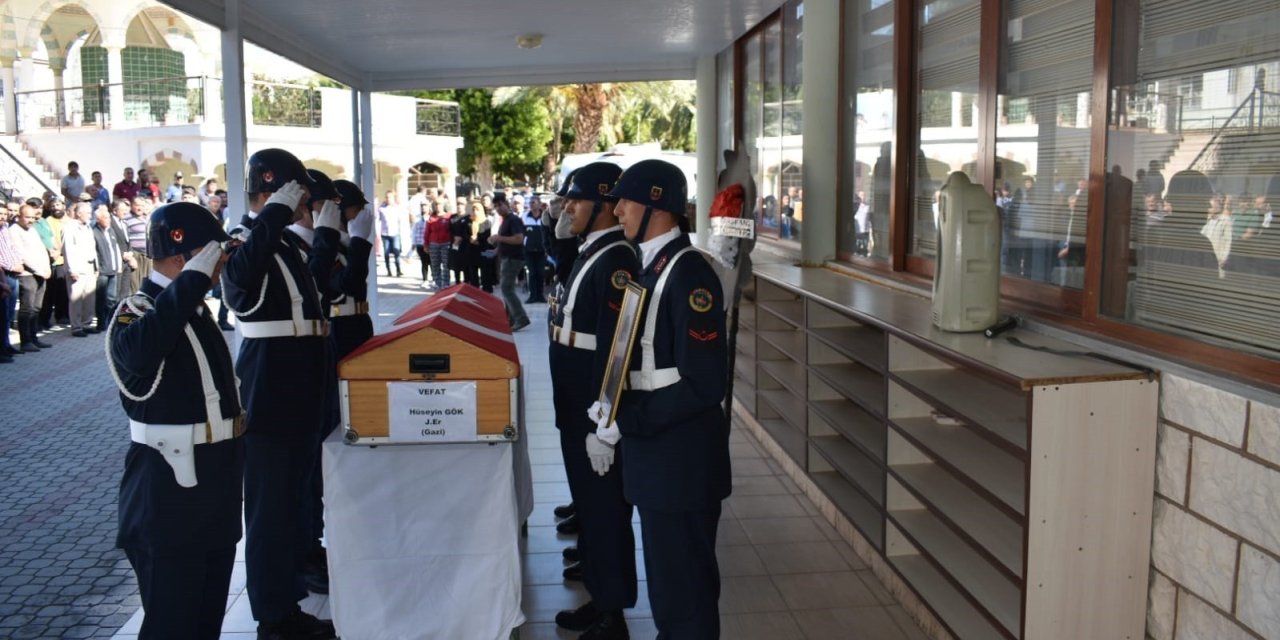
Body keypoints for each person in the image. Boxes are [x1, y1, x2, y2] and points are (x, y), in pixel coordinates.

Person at [591, 159, 730, 639]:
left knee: (684, 593)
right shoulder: (653, 266)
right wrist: (609, 409)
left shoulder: (689, 275)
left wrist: (627, 420)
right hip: (660, 459)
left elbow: (705, 384)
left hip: (681, 462)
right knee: (670, 590)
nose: (617, 211)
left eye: (626, 202)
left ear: (658, 206)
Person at [107, 201, 243, 640]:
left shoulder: (194, 309)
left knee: (205, 621)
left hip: (214, 487)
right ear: (185, 257)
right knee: (173, 624)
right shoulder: (137, 309)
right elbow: (139, 353)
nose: (221, 265)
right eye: (214, 255)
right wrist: (190, 282)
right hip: (169, 495)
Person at [221, 149, 336, 639]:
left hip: (299, 382)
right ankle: (272, 615)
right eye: (298, 195)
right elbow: (238, 283)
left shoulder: (283, 243)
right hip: (270, 384)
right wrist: (271, 215)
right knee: (270, 508)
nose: (304, 205)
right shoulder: (245, 239)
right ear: (273, 192)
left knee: (292, 501)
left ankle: (288, 602)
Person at [549, 162, 639, 640]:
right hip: (574, 403)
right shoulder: (593, 250)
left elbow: (617, 348)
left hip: (592, 406)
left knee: (605, 512)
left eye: (577, 200)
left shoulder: (616, 259)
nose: (568, 207)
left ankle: (613, 613)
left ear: (604, 205)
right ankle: (598, 595)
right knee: (588, 503)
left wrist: (606, 420)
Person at [13, 203, 52, 352]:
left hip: (41, 273)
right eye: (27, 217)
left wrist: (47, 268)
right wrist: (39, 270)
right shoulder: (14, 231)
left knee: (36, 308)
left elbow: (42, 250)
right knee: (27, 309)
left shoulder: (33, 230)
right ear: (19, 216)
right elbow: (22, 255)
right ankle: (26, 341)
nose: (30, 220)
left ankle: (34, 337)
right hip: (27, 275)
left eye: (33, 217)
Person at [488, 193, 529, 331]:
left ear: (507, 204)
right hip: (507, 257)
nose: (498, 208)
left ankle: (520, 318)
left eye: (500, 205)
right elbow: (507, 240)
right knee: (507, 288)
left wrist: (499, 238)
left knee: (506, 288)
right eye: (496, 206)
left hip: (513, 258)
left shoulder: (513, 219)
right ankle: (509, 319)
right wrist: (497, 249)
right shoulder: (506, 220)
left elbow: (518, 239)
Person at [61, 202, 98, 336]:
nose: (90, 215)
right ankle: (76, 327)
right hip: (77, 267)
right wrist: (72, 269)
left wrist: (96, 267)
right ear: (78, 213)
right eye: (87, 213)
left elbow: (93, 247)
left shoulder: (88, 227)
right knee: (76, 298)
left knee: (89, 297)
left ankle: (86, 323)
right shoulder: (69, 227)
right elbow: (68, 249)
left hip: (89, 266)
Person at [93, 203, 128, 333]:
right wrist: (96, 269)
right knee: (101, 299)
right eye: (105, 218)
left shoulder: (111, 231)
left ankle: (110, 322)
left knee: (111, 298)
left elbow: (116, 249)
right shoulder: (94, 232)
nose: (108, 220)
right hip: (102, 271)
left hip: (113, 269)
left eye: (108, 217)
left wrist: (118, 265)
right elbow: (94, 252)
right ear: (98, 219)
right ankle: (101, 323)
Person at [0, 202, 23, 361]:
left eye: (4, 214)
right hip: (5, 274)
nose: (3, 216)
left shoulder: (5, 229)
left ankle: (6, 344)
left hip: (11, 275)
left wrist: (18, 263)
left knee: (7, 314)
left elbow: (12, 249)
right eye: (0, 214)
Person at [522, 196, 549, 303]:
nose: (531, 204)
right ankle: (532, 295)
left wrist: (548, 248)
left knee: (540, 273)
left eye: (533, 202)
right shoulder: (525, 216)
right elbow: (522, 234)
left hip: (542, 251)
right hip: (528, 250)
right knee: (532, 273)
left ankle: (540, 295)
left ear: (539, 204)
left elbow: (548, 233)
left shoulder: (545, 216)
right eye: (530, 202)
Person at [377, 190, 404, 277]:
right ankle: (388, 270)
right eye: (387, 197)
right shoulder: (381, 208)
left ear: (393, 198)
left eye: (390, 197)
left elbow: (401, 220)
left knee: (396, 252)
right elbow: (378, 219)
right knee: (386, 253)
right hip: (385, 234)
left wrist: (402, 231)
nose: (388, 199)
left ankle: (398, 270)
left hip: (395, 233)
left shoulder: (397, 208)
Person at [426, 201, 452, 289]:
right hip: (434, 244)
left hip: (446, 243)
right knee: (435, 264)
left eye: (440, 204)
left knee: (446, 264)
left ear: (443, 205)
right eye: (436, 205)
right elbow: (427, 232)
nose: (438, 206)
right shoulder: (431, 218)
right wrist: (426, 244)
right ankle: (437, 282)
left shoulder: (449, 217)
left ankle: (446, 283)